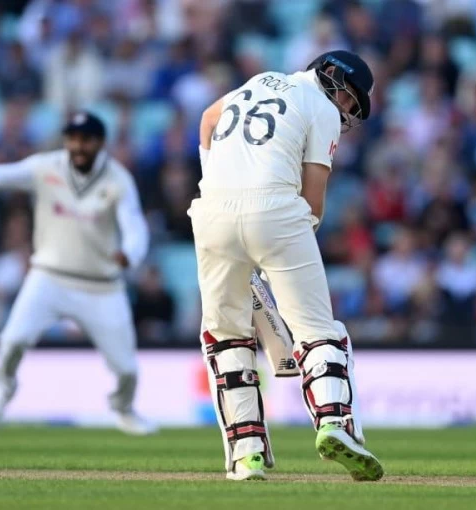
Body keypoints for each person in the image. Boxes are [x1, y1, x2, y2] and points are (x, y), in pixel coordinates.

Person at [192, 50, 382, 481]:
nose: (348, 109)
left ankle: (247, 456)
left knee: (226, 336)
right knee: (318, 330)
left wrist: (214, 182)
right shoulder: (322, 109)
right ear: (330, 74)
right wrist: (276, 249)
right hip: (276, 212)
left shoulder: (260, 79)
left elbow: (207, 119)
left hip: (210, 212)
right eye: (350, 98)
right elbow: (312, 203)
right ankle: (335, 424)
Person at [0, 112, 156, 436]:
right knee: (13, 340)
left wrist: (131, 254)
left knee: (126, 368)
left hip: (101, 286)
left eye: (85, 139)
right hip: (49, 277)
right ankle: (1, 389)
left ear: (100, 142)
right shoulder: (46, 166)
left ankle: (123, 409)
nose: (78, 146)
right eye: (72, 138)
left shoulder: (117, 178)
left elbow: (135, 226)